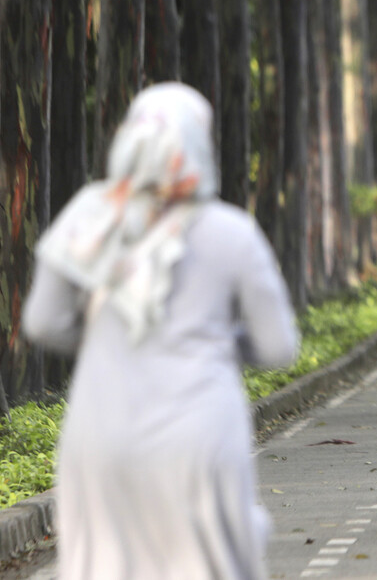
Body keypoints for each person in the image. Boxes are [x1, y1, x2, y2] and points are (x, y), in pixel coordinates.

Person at [22, 82, 298, 580]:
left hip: (102, 428)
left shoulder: (88, 215)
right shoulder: (230, 230)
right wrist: (214, 343)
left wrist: (107, 338)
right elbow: (278, 346)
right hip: (200, 433)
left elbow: (42, 321)